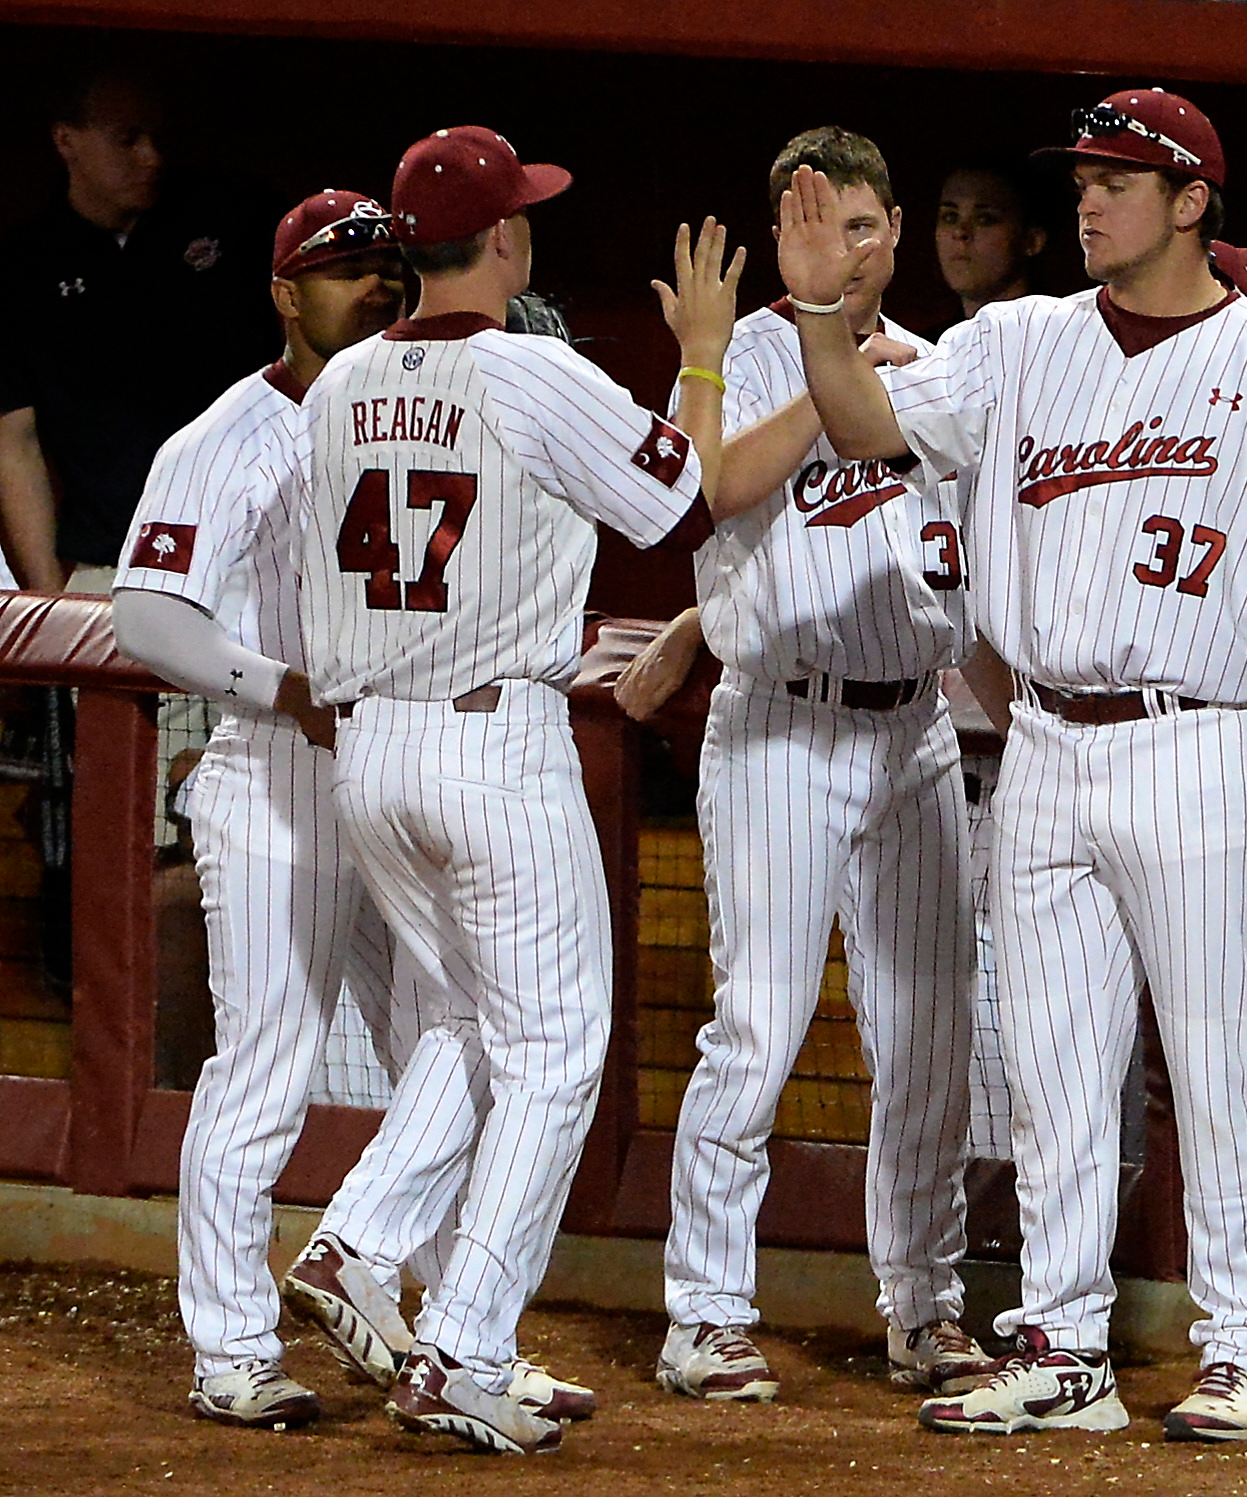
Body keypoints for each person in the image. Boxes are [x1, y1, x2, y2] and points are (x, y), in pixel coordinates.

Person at [776, 88, 1247, 1441]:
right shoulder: (1013, 341)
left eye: (1119, 177)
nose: (1087, 198)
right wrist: (824, 312)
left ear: (1191, 202)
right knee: (1051, 1067)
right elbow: (866, 428)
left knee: (1218, 1062)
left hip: (1205, 738)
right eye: (1081, 178)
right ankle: (1063, 1346)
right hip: (1049, 742)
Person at [292, 124, 744, 1456]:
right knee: (552, 1057)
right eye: (523, 215)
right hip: (494, 742)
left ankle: (359, 1243)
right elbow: (683, 500)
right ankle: (467, 1339)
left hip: (371, 747)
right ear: (501, 239)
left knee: (472, 1032)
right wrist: (704, 353)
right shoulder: (531, 369)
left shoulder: (335, 385)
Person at [632, 127, 998, 1408]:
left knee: (929, 1036)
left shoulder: (948, 367)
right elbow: (715, 488)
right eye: (812, 225)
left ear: (893, 233)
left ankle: (927, 1309)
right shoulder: (727, 356)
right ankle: (707, 1314)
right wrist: (809, 340)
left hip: (915, 731)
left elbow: (965, 557)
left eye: (857, 227)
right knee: (762, 1022)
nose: (838, 248)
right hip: (783, 725)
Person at [111, 191, 417, 1428]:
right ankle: (231, 1346)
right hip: (277, 779)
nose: (378, 290)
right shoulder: (228, 433)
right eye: (347, 272)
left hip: (401, 775)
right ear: (287, 295)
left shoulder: (415, 411)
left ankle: (425, 1315)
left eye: (391, 269)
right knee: (268, 1067)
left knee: (441, 1052)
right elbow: (145, 616)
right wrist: (280, 688)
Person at [0, 66, 274, 593]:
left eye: (155, 137)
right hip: (107, 562)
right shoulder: (25, 266)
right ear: (66, 141)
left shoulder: (230, 215)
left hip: (243, 557)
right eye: (127, 140)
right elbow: (17, 442)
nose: (150, 156)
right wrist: (46, 601)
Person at [935, 159, 1048, 320]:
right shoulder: (927, 344)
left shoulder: (1065, 336)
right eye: (950, 217)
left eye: (984, 219)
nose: (960, 232)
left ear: (1032, 241)